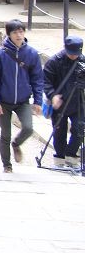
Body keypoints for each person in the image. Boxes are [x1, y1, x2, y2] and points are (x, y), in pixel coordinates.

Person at [0, 19, 44, 173]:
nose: (19, 35)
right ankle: (7, 165)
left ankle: (16, 143)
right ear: (9, 34)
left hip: (23, 100)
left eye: (21, 31)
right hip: (4, 101)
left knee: (28, 128)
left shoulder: (31, 53)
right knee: (5, 133)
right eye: (15, 32)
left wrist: (38, 101)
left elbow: (37, 78)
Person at [43, 35, 84, 168]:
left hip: (78, 101)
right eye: (71, 53)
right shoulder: (55, 61)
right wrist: (52, 95)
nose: (73, 56)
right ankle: (60, 157)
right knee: (59, 131)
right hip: (59, 102)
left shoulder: (82, 61)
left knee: (80, 129)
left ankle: (71, 155)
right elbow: (46, 82)